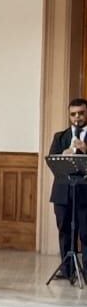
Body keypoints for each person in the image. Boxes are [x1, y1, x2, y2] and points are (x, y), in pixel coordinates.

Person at [46, 98, 87, 284]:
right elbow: (52, 160)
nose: (77, 117)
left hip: (84, 193)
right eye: (73, 114)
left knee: (85, 232)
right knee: (64, 230)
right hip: (63, 192)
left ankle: (86, 271)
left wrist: (85, 149)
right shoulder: (60, 137)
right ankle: (67, 269)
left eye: (81, 113)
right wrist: (63, 155)